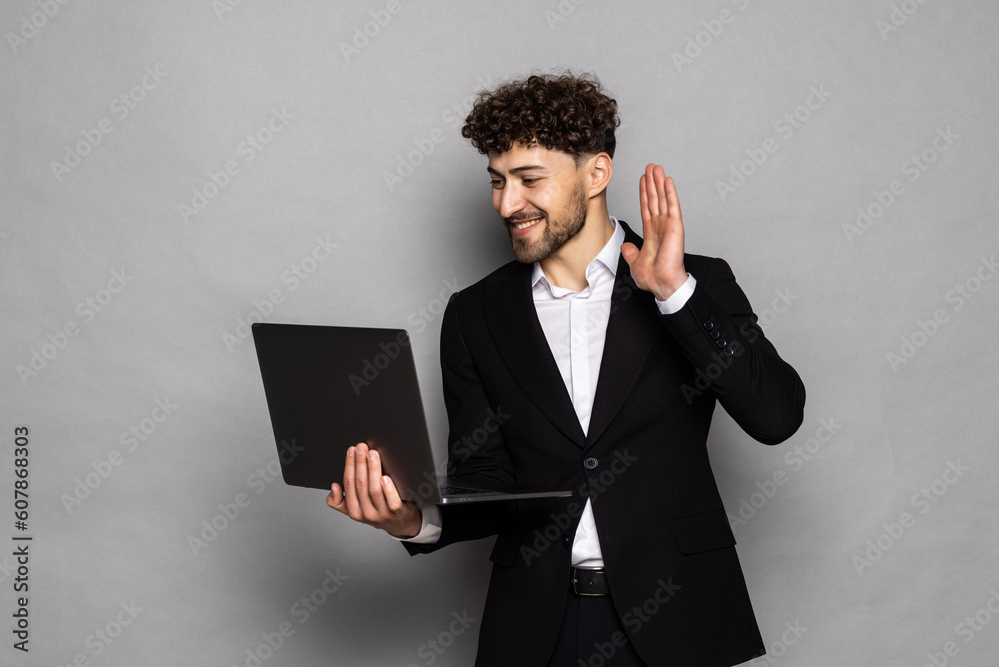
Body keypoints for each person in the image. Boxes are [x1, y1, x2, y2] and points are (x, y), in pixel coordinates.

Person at [325, 72, 806, 667]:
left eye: (530, 179)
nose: (507, 204)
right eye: (497, 182)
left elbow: (778, 415)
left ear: (596, 173)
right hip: (535, 631)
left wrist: (675, 295)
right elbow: (488, 479)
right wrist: (411, 519)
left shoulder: (696, 283)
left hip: (678, 621)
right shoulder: (475, 314)